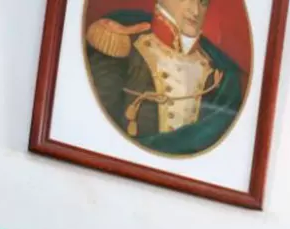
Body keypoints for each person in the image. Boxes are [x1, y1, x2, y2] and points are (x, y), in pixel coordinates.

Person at [85, 0, 249, 154]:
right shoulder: (124, 45)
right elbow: (96, 132)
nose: (195, 11)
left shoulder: (219, 75)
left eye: (203, 2)